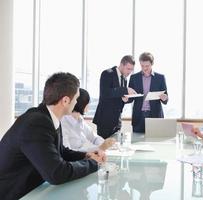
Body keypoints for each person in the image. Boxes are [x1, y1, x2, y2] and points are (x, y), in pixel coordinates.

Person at [0, 72, 106, 200]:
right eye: (76, 98)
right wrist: (93, 163)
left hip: (32, 191)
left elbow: (60, 151)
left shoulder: (48, 117)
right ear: (65, 100)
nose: (77, 102)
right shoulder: (36, 123)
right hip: (13, 194)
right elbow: (56, 173)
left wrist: (85, 155)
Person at [93, 55, 136, 139]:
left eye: (131, 69)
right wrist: (125, 90)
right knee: (103, 147)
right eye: (128, 69)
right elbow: (106, 93)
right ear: (122, 64)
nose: (129, 72)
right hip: (105, 120)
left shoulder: (124, 79)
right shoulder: (107, 73)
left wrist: (125, 99)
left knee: (116, 148)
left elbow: (118, 96)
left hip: (117, 121)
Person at [127, 52, 168, 133]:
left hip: (155, 116)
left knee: (154, 142)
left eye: (147, 66)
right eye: (142, 66)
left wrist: (164, 98)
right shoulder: (134, 78)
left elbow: (165, 99)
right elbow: (130, 98)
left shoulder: (160, 78)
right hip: (139, 116)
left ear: (152, 64)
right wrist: (126, 99)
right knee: (137, 143)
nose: (144, 68)